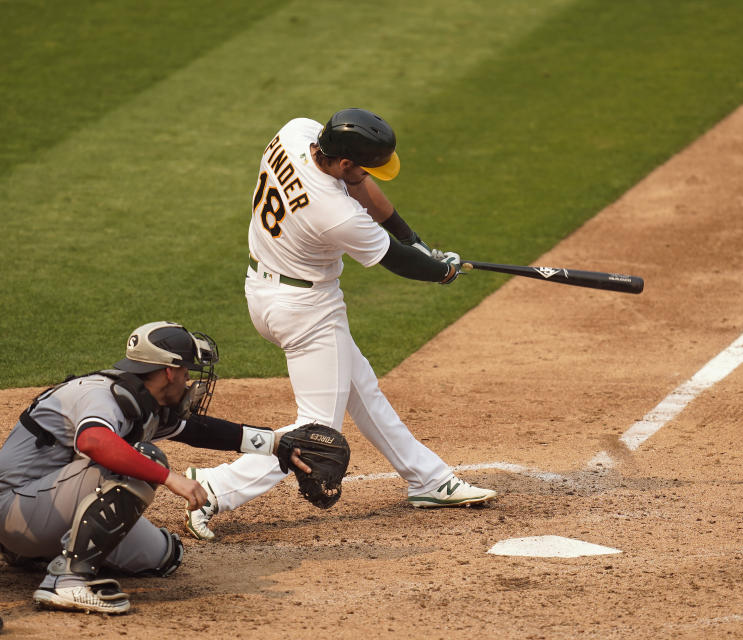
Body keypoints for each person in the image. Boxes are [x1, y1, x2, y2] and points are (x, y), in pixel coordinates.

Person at [184, 108, 496, 541]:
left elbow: (364, 188)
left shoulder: (297, 133)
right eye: (363, 165)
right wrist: (439, 270)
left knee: (361, 388)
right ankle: (216, 487)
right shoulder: (334, 213)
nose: (368, 173)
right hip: (306, 310)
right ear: (345, 161)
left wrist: (414, 239)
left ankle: (427, 478)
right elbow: (398, 262)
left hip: (265, 286)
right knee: (317, 434)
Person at [0, 321, 309, 614]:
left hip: (43, 511)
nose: (189, 379)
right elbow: (93, 441)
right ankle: (66, 581)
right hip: (13, 509)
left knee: (165, 556)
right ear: (169, 371)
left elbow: (199, 430)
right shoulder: (100, 395)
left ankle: (33, 554)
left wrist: (275, 443)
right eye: (187, 370)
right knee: (146, 460)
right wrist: (169, 478)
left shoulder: (144, 404)